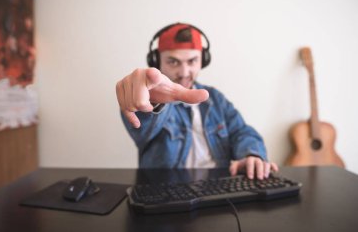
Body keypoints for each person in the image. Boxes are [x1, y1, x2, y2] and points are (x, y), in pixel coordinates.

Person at [116, 23, 278, 179]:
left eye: (192, 61)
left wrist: (251, 154)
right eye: (173, 62)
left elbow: (241, 131)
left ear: (203, 60)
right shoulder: (146, 97)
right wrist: (152, 103)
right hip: (167, 194)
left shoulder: (215, 98)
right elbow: (141, 128)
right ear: (156, 61)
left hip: (219, 190)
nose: (184, 72)